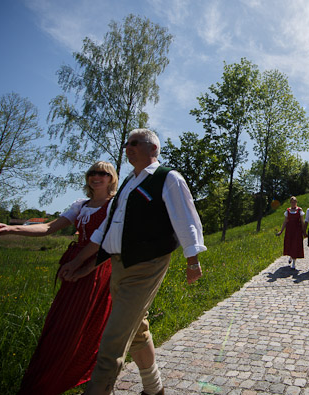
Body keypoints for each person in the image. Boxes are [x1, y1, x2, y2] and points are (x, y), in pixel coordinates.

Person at [58, 128, 206, 395]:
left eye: (136, 143)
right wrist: (81, 263)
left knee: (113, 339)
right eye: (127, 143)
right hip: (118, 265)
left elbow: (186, 219)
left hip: (147, 265)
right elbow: (106, 229)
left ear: (154, 149)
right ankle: (154, 388)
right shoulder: (127, 182)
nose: (129, 147)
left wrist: (192, 260)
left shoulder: (167, 177)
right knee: (137, 329)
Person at [0, 161, 118, 395]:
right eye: (92, 173)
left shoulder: (114, 206)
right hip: (73, 264)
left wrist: (79, 263)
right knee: (62, 322)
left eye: (103, 173)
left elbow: (104, 240)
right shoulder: (81, 205)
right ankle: (49, 377)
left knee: (86, 321)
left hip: (97, 265)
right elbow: (48, 227)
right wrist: (11, 229)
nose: (96, 177)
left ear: (111, 178)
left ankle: (82, 373)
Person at [275, 196, 306, 270]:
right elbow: (285, 221)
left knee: (296, 245)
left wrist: (304, 231)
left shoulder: (299, 210)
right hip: (289, 230)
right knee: (290, 244)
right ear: (290, 203)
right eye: (292, 202)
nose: (293, 203)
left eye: (294, 201)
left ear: (296, 202)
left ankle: (294, 263)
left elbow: (302, 221)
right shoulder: (288, 211)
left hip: (297, 230)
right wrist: (281, 231)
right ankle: (291, 257)